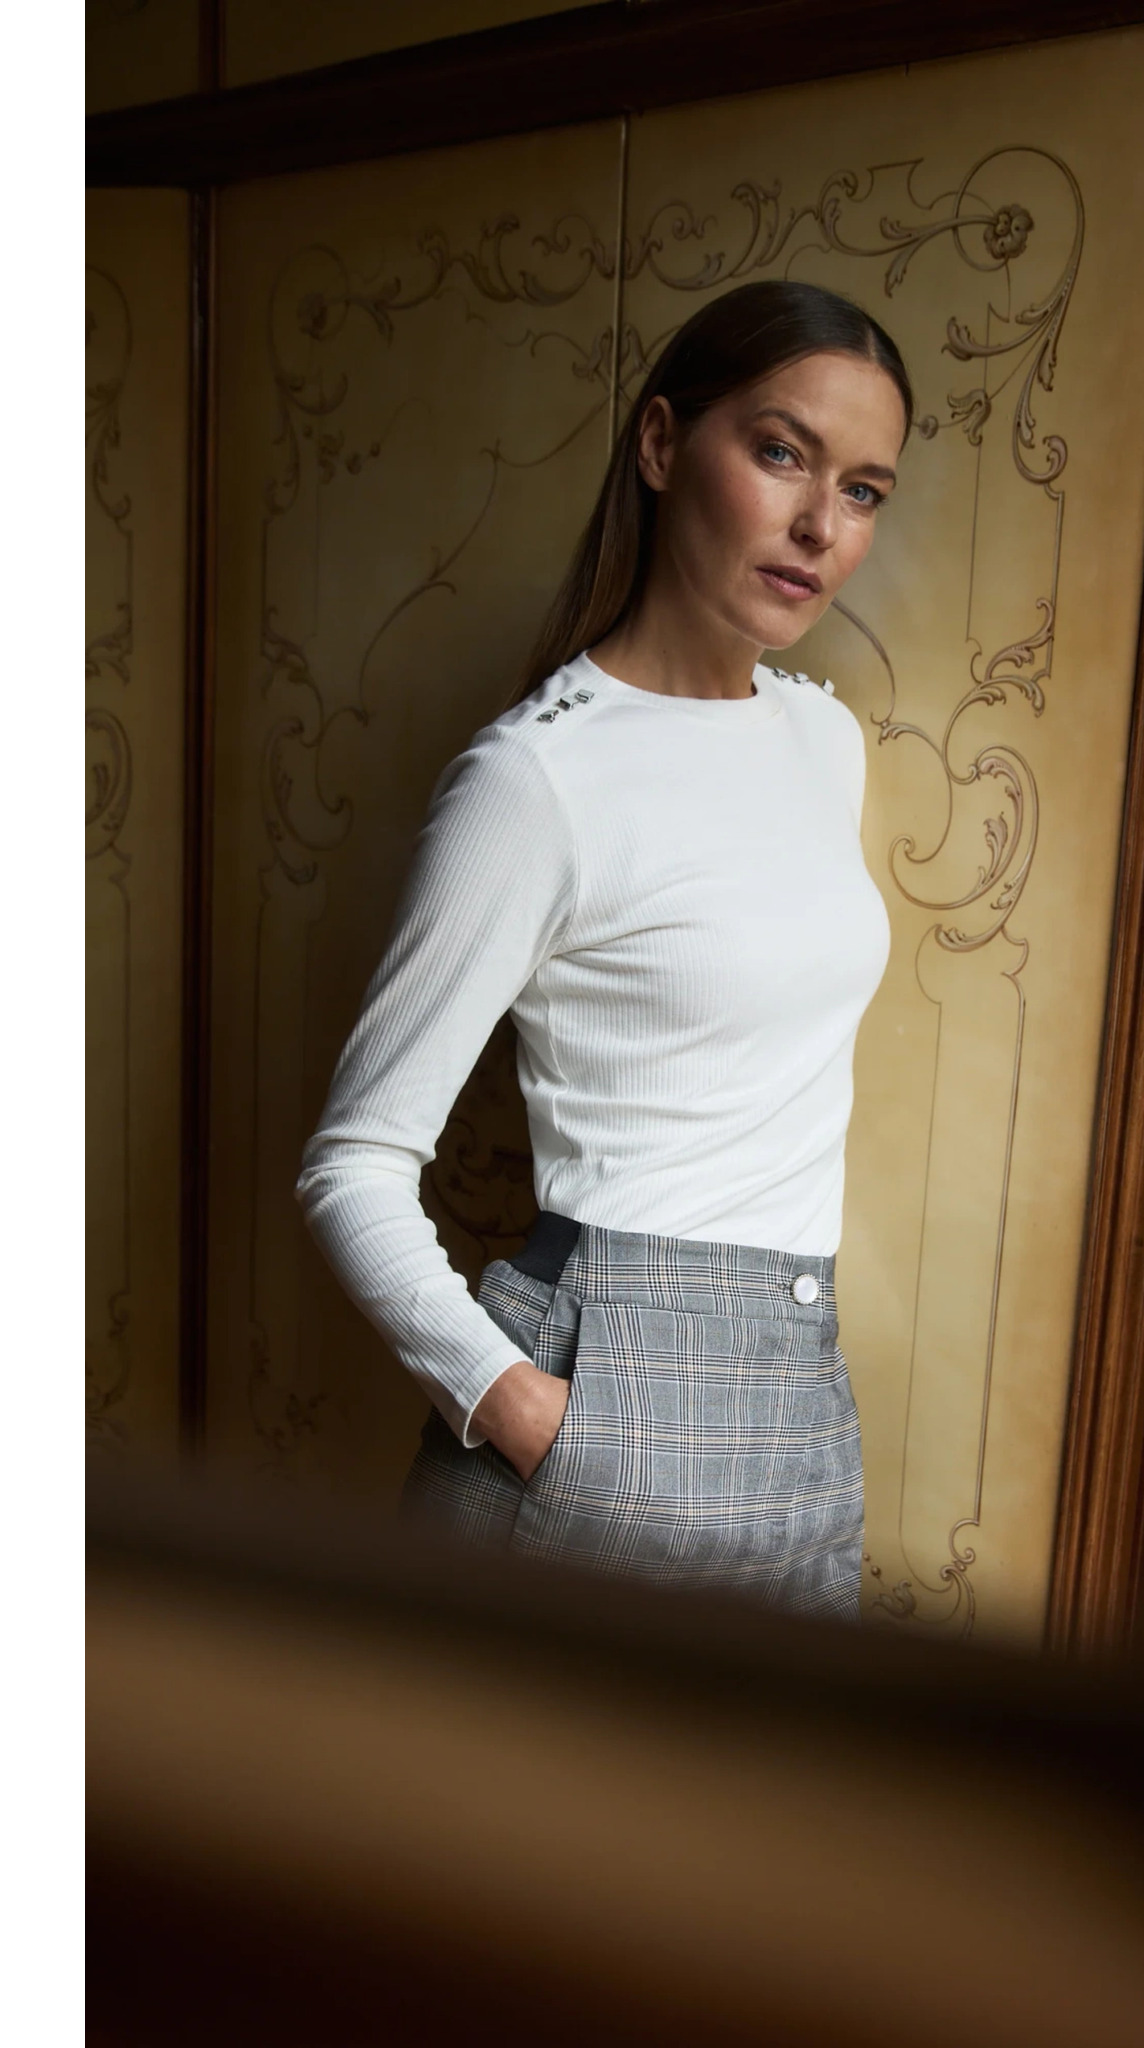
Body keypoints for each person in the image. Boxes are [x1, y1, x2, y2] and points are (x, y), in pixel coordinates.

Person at [294, 278, 910, 1622]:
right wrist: (532, 1417)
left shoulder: (825, 740)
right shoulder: (534, 782)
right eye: (781, 452)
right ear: (661, 444)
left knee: (783, 1769)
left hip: (802, 1410)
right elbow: (352, 1166)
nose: (822, 525)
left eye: (863, 490)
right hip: (599, 1389)